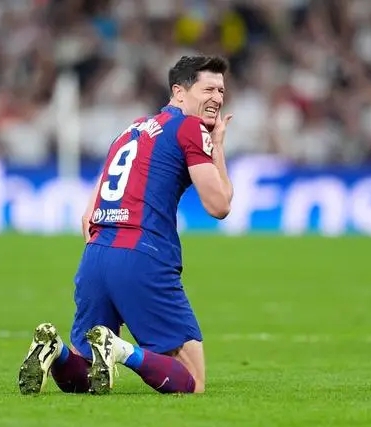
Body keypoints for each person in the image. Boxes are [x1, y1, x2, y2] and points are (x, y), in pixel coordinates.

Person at [18, 55, 233, 395]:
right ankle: (121, 350)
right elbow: (219, 205)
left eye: (221, 90)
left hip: (96, 255)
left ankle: (55, 351)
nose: (217, 98)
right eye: (208, 89)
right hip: (143, 256)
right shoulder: (189, 128)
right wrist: (217, 146)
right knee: (193, 381)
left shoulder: (131, 130)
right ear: (179, 92)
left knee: (85, 374)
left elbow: (87, 217)